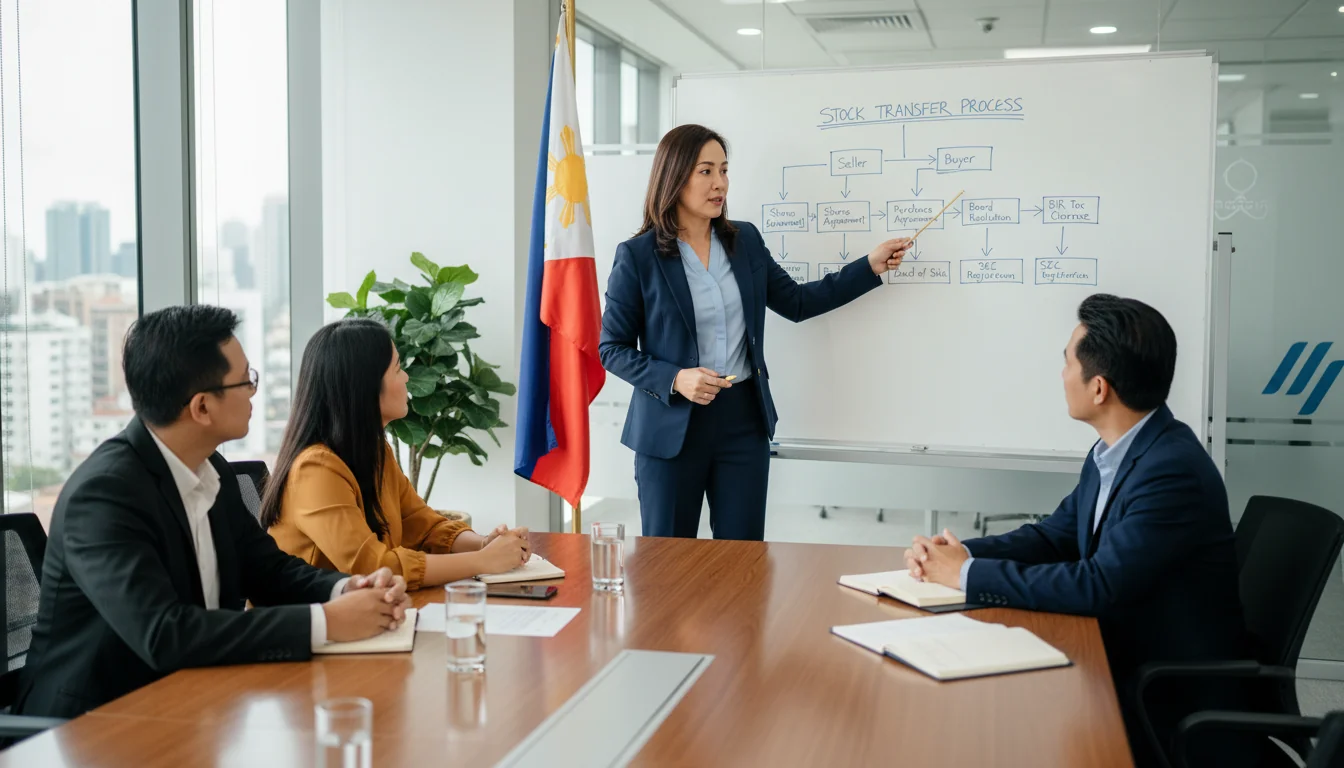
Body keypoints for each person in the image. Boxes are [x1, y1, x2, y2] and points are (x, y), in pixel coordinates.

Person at [903, 293, 1253, 768]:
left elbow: (1100, 585)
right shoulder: (1115, 451)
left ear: (1099, 388)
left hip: (1162, 695)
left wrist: (966, 575)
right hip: (1117, 660)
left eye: (1067, 362)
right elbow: (1056, 536)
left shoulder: (1171, 471)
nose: (1062, 374)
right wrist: (959, 554)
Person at [16, 306, 411, 719]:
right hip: (91, 723)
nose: (254, 392)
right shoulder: (103, 495)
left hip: (192, 700)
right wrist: (327, 622)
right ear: (202, 407)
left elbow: (269, 571)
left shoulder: (209, 467)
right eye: (246, 380)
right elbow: (164, 633)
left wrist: (347, 589)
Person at [599, 124, 912, 541]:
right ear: (674, 177)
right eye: (706, 171)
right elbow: (612, 348)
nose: (720, 183)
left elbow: (797, 302)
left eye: (724, 170)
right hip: (670, 426)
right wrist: (676, 378)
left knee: (743, 561)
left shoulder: (744, 240)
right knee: (668, 563)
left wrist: (868, 266)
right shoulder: (638, 256)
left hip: (742, 421)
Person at [262, 318, 529, 590]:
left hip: (365, 610)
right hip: (310, 615)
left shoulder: (375, 452)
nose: (407, 378)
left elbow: (423, 526)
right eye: (398, 369)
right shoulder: (314, 470)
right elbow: (373, 567)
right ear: (366, 386)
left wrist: (484, 544)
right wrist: (482, 561)